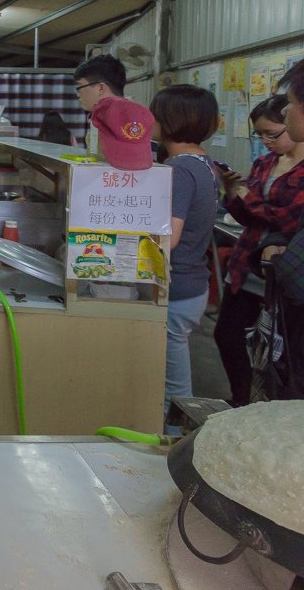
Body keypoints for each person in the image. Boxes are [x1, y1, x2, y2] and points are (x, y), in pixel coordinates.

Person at [213, 95, 304, 406]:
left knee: (280, 350)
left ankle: (272, 406)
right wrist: (232, 191)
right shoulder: (264, 163)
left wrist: (247, 196)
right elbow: (248, 217)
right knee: (227, 335)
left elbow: (290, 220)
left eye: (272, 133)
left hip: (283, 273)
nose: (266, 141)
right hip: (246, 263)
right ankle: (242, 399)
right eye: (260, 135)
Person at [149, 85, 219, 428]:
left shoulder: (179, 170)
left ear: (169, 120)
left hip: (177, 287)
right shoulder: (204, 163)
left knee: (173, 387)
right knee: (172, 373)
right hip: (194, 284)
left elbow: (169, 237)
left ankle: (175, 444)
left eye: (154, 113)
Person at [74, 54, 127, 155]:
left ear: (100, 88)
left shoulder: (121, 119)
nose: (78, 94)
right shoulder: (103, 116)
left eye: (80, 87)